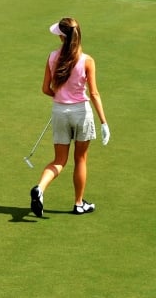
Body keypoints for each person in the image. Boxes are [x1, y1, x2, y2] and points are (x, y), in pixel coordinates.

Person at [30, 16, 109, 216]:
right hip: (81, 113)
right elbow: (94, 94)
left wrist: (60, 96)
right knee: (80, 159)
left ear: (62, 37)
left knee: (59, 160)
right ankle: (78, 203)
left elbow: (45, 89)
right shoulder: (87, 60)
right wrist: (104, 122)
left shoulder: (52, 57)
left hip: (59, 112)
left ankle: (40, 188)